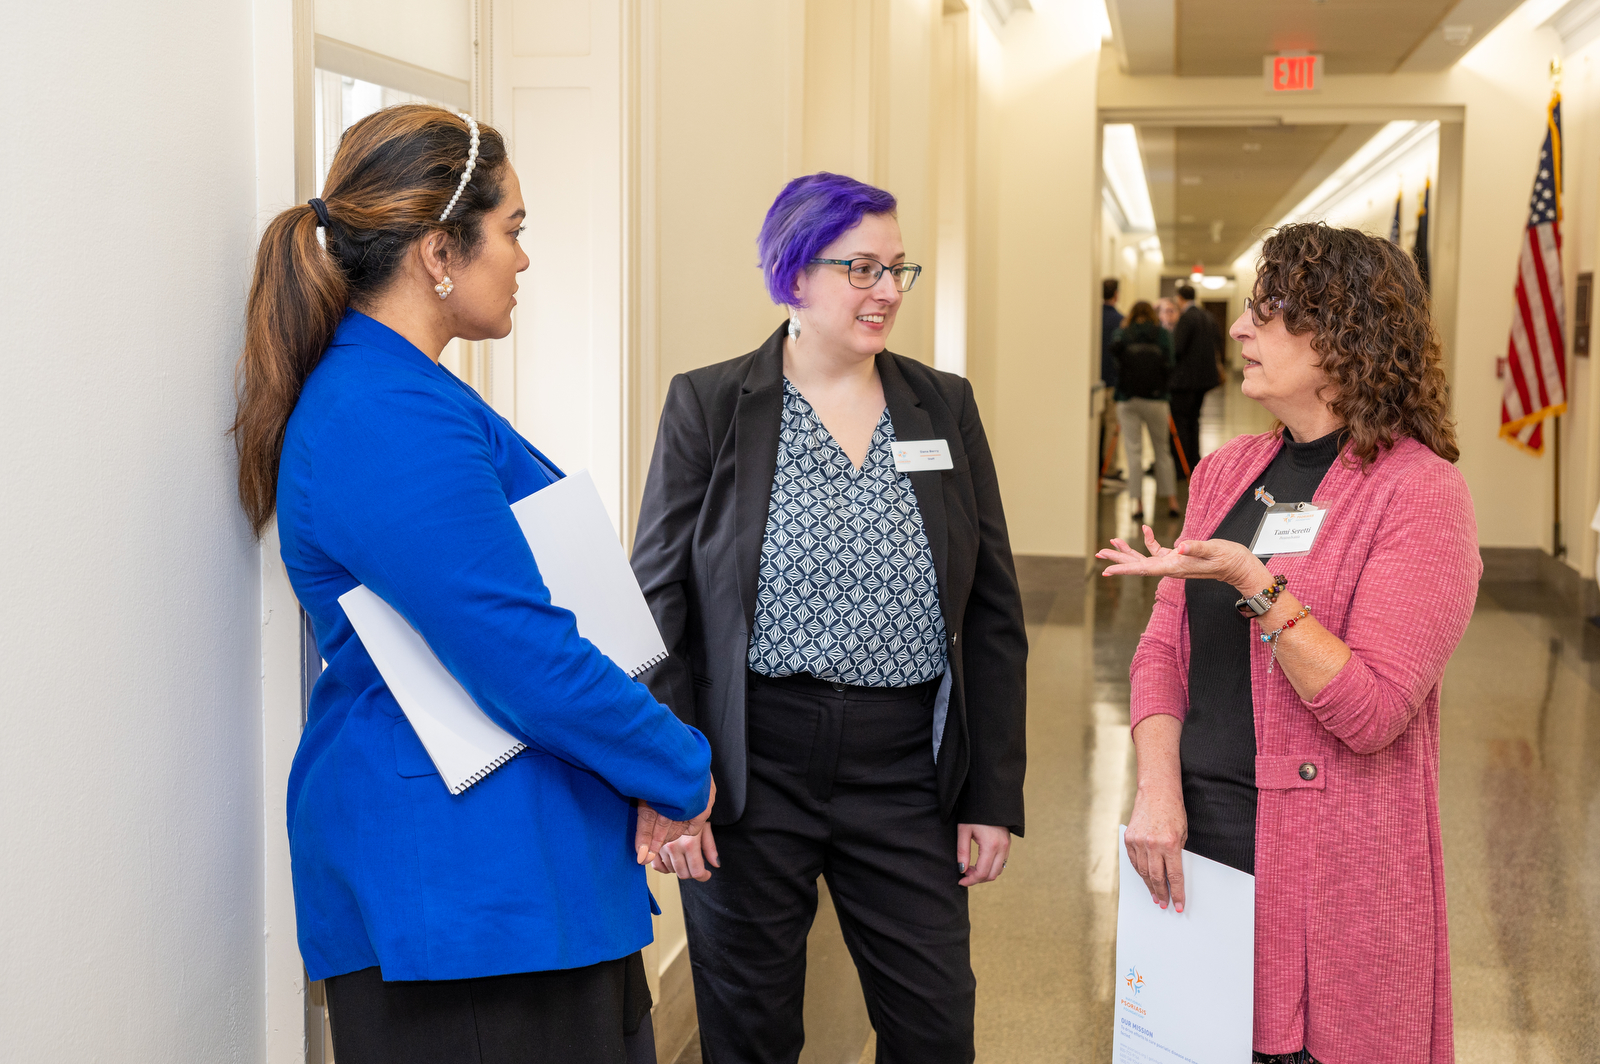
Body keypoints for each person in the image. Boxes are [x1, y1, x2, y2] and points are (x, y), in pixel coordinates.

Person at [231, 104, 714, 1064]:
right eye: (513, 230)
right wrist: (678, 765)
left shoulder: (405, 393)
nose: (524, 258)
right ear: (439, 252)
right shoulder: (383, 414)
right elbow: (517, 651)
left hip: (506, 883)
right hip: (466, 902)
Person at [630, 172, 1028, 1064]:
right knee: (750, 1030)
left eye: (898, 269)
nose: (887, 291)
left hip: (904, 768)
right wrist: (675, 776)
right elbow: (658, 602)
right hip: (752, 763)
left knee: (935, 1024)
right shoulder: (710, 404)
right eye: (862, 269)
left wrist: (990, 794)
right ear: (792, 275)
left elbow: (994, 608)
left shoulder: (943, 405)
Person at [1097, 223, 1478, 1064]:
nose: (1239, 328)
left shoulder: (1420, 494)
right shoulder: (1226, 472)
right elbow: (1162, 649)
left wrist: (1255, 584)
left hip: (1331, 871)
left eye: (1267, 314)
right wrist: (1157, 791)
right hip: (1196, 849)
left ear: (1346, 332)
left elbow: (1373, 712)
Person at [1110, 301, 1180, 521]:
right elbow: (1170, 362)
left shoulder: (1123, 333)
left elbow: (1116, 364)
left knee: (1133, 452)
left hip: (1127, 399)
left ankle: (1138, 505)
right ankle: (1171, 501)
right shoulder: (1161, 334)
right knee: (1162, 451)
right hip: (1156, 399)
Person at [1167, 283, 1220, 478]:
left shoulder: (1186, 318)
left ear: (1180, 298)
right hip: (1204, 380)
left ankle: (1181, 466)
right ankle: (1194, 461)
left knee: (1181, 422)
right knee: (1194, 420)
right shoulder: (1207, 316)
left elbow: (1178, 349)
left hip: (1184, 382)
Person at [1100, 278, 1126, 481]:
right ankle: (1108, 467)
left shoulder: (1092, 317)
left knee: (1096, 425)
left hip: (1094, 381)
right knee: (1111, 426)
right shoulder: (1120, 320)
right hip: (1112, 380)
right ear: (1116, 294)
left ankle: (1094, 465)